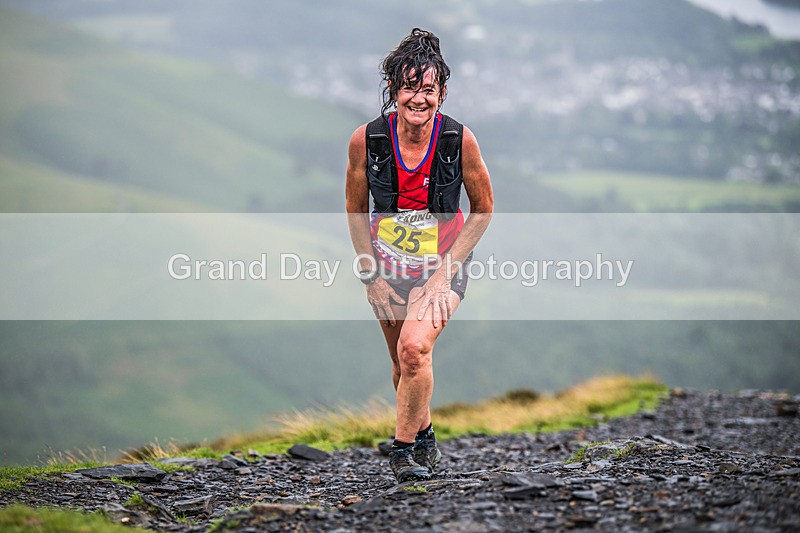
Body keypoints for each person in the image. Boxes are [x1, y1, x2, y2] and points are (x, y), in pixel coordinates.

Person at [345, 28, 493, 483]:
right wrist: (372, 277)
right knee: (402, 366)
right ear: (394, 89)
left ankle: (403, 451)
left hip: (443, 267)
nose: (418, 98)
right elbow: (354, 209)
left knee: (414, 348)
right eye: (410, 87)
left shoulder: (459, 141)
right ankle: (424, 432)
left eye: (428, 89)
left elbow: (483, 210)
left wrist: (441, 277)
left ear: (442, 93)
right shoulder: (366, 141)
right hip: (387, 268)